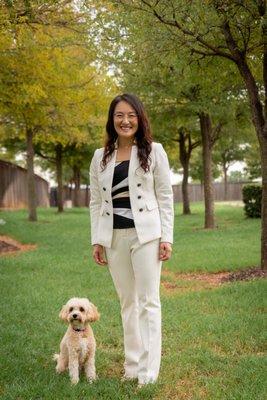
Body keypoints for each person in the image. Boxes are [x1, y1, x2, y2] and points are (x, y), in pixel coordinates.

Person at [89, 93, 174, 387]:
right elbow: (95, 201)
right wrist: (96, 240)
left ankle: (149, 374)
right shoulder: (100, 157)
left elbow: (165, 197)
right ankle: (133, 367)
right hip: (114, 237)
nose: (125, 121)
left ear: (139, 118)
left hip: (147, 235)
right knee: (128, 303)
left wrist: (167, 237)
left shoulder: (154, 151)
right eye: (119, 116)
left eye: (131, 115)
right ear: (112, 121)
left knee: (149, 302)